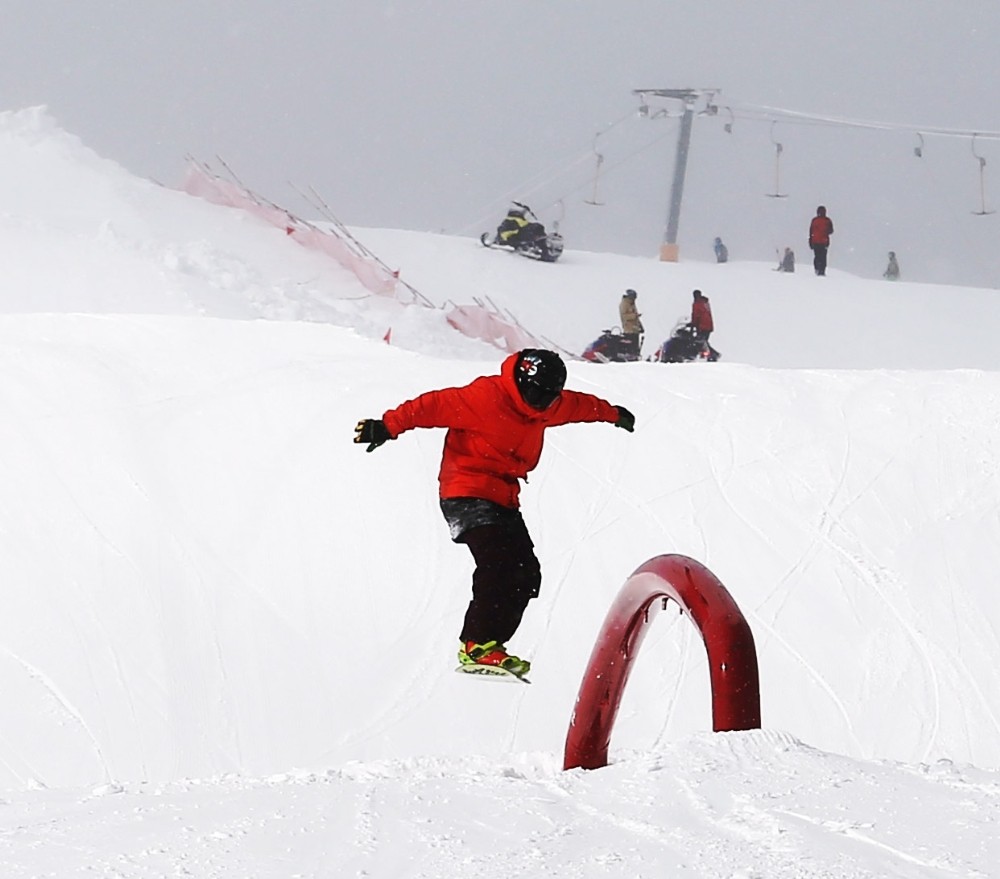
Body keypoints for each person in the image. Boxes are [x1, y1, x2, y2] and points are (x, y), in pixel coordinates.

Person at [353, 349, 636, 679]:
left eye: (548, 397)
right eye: (535, 394)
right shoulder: (485, 397)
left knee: (527, 573)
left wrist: (613, 414)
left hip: (503, 497)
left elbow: (581, 406)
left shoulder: (549, 405)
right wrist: (386, 426)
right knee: (499, 562)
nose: (540, 403)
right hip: (467, 491)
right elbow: (429, 407)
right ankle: (476, 644)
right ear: (520, 382)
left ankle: (490, 646)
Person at [808, 206, 834, 276]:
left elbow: (810, 231)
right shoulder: (827, 220)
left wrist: (810, 241)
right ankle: (822, 270)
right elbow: (831, 231)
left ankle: (817, 268)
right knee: (823, 257)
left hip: (815, 241)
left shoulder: (814, 220)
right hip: (824, 242)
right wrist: (825, 232)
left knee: (817, 256)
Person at [618, 289, 644, 356]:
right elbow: (624, 316)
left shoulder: (632, 304)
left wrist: (640, 326)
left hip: (635, 329)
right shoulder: (624, 304)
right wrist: (634, 316)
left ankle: (635, 355)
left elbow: (636, 317)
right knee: (631, 347)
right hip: (629, 330)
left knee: (635, 347)